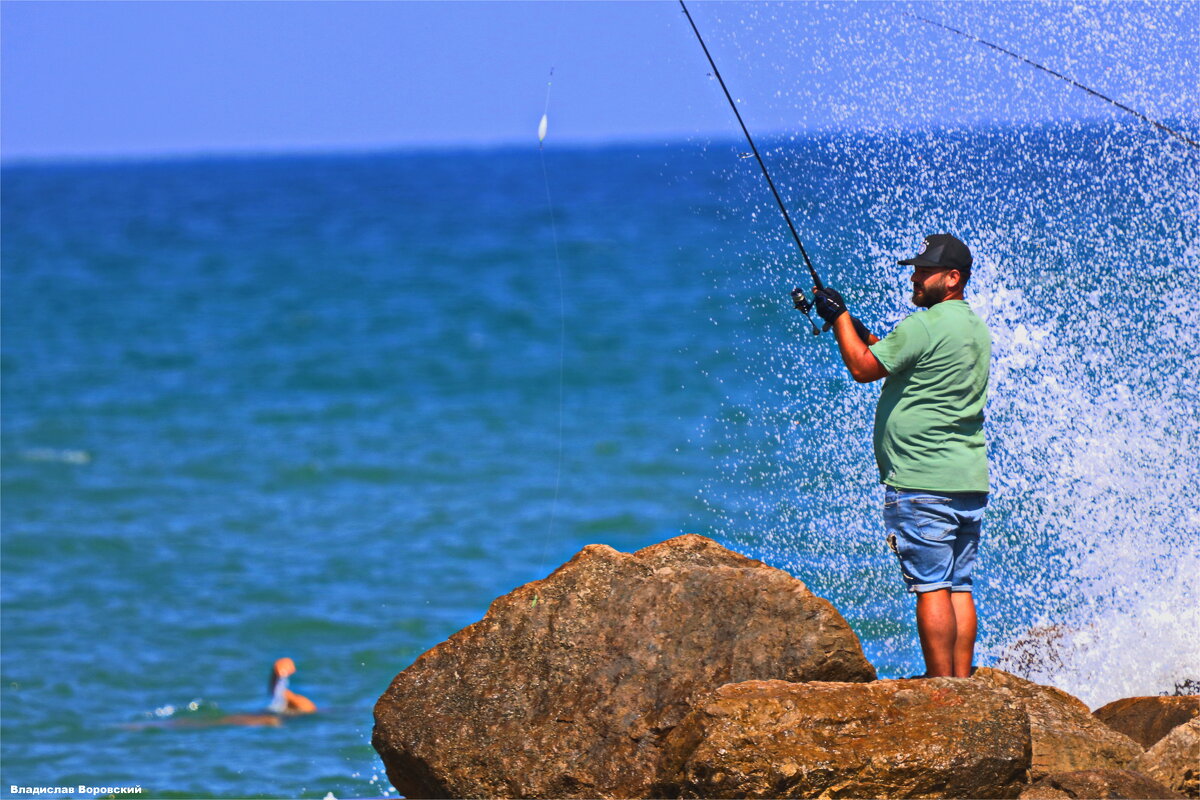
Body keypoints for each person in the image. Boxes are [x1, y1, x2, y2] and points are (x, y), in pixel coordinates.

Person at [810, 233, 991, 678]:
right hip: (967, 481)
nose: (915, 277)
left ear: (952, 278)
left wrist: (839, 321)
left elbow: (862, 368)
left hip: (920, 482)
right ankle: (963, 684)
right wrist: (853, 323)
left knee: (931, 588)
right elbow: (901, 354)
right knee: (958, 587)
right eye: (915, 269)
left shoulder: (924, 325)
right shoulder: (974, 328)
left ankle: (941, 688)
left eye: (925, 271)